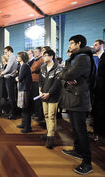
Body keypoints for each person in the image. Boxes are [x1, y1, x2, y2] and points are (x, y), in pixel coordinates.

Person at [59, 35, 94, 175]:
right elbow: (64, 75)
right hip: (73, 98)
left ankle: (87, 163)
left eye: (71, 43)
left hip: (79, 99)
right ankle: (78, 150)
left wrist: (66, 75)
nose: (69, 46)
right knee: (75, 128)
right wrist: (66, 76)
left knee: (81, 131)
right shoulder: (75, 58)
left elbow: (67, 75)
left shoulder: (83, 57)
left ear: (78, 44)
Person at [39, 50, 62, 149]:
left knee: (52, 116)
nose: (43, 57)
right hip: (43, 94)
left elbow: (57, 83)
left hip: (53, 95)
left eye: (45, 55)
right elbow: (40, 80)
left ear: (51, 56)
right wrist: (40, 91)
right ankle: (49, 132)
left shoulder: (58, 68)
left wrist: (49, 93)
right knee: (46, 115)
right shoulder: (43, 67)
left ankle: (50, 137)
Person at [15, 52, 32, 133]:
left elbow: (20, 78)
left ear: (22, 57)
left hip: (25, 89)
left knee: (26, 108)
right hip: (22, 88)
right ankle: (23, 123)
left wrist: (17, 78)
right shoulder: (22, 65)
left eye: (19, 56)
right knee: (23, 107)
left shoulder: (25, 65)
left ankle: (27, 126)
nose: (17, 57)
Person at [91, 39, 105, 141]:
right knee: (95, 111)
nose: (94, 46)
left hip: (103, 89)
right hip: (95, 88)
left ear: (102, 45)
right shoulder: (93, 58)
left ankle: (101, 133)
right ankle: (96, 132)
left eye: (96, 45)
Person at [1, 46, 18, 119]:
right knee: (10, 97)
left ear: (10, 51)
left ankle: (13, 113)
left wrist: (2, 73)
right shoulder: (12, 57)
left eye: (6, 52)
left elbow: (9, 68)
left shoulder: (12, 57)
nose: (5, 53)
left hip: (10, 78)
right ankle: (12, 112)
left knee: (11, 97)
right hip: (9, 78)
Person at [30, 47, 45, 126]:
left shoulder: (41, 60)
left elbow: (33, 69)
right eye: (34, 52)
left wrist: (31, 68)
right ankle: (36, 114)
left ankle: (39, 115)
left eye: (36, 52)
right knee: (35, 99)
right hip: (33, 81)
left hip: (37, 81)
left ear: (40, 53)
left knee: (38, 99)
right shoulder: (36, 60)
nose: (35, 53)